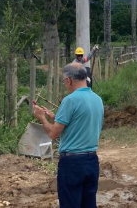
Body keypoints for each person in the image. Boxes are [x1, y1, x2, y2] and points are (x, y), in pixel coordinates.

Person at [34, 63, 104, 208]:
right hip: (92, 161)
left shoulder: (70, 100)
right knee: (88, 204)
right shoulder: (97, 99)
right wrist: (55, 117)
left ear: (69, 80)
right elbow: (78, 123)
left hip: (72, 164)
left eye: (64, 81)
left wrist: (42, 118)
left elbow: (53, 134)